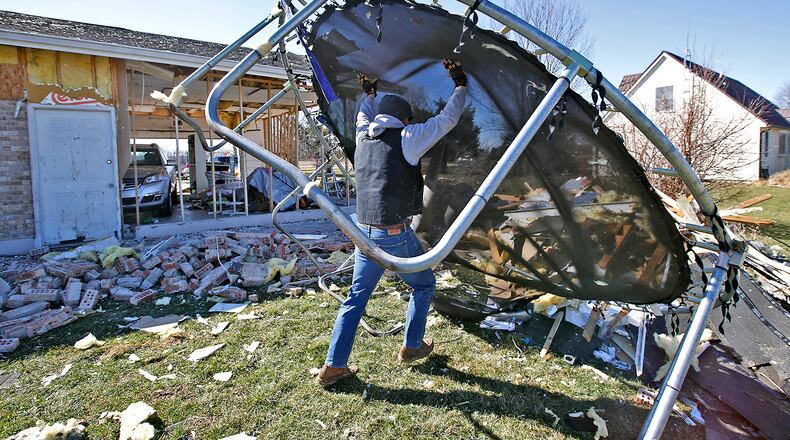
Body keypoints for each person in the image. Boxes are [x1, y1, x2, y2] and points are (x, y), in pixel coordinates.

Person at [316, 59, 469, 387]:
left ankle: (333, 366)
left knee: (356, 298)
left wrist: (367, 94)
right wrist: (460, 85)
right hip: (393, 235)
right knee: (425, 284)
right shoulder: (407, 137)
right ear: (405, 119)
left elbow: (362, 114)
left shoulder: (362, 137)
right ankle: (412, 347)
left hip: (364, 232)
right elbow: (447, 119)